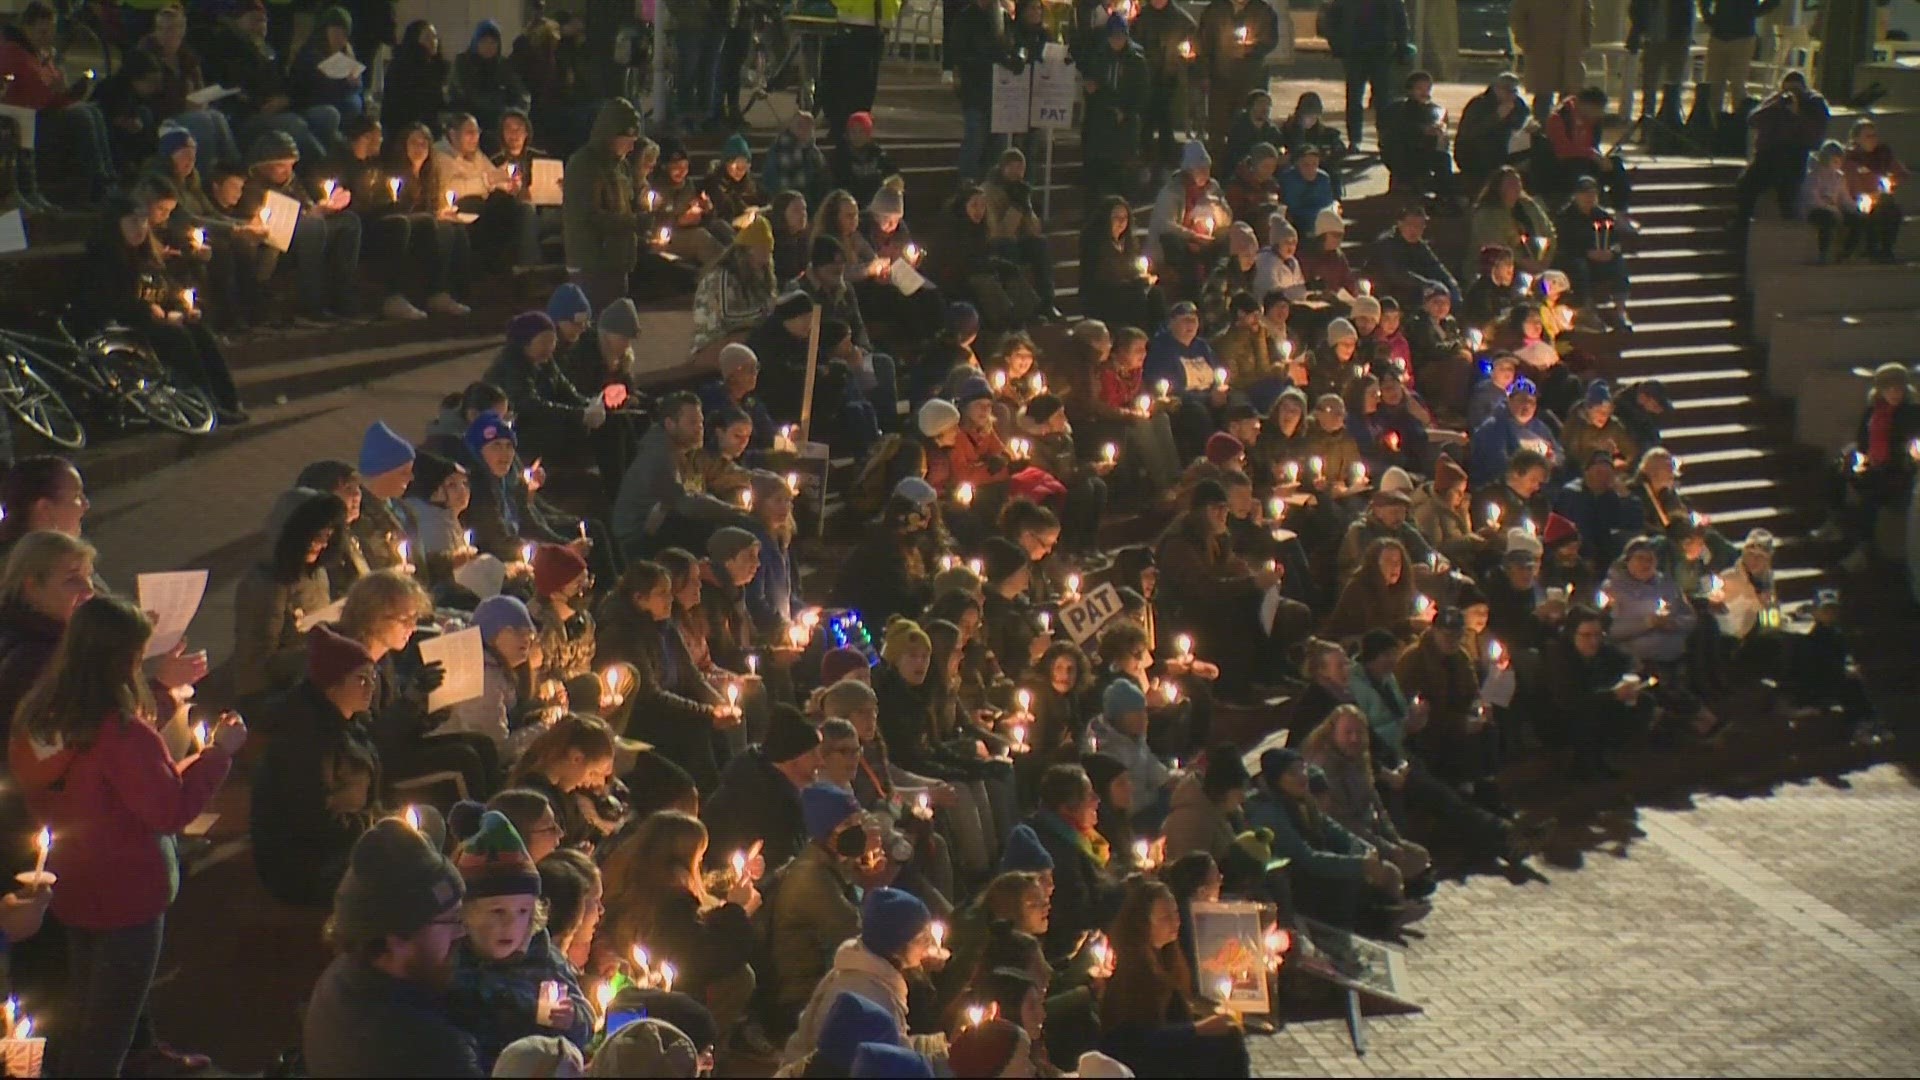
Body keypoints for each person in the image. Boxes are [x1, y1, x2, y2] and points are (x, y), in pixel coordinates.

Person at [12, 597, 245, 1078]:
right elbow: (170, 809)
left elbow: (106, 793)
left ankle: (114, 1059)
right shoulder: (121, 733)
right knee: (107, 1030)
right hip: (129, 894)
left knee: (85, 1007)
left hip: (73, 886)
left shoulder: (40, 718)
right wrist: (219, 754)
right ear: (120, 660)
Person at [303, 819, 482, 1076]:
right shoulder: (427, 1050)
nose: (461, 931)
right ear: (395, 937)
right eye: (451, 920)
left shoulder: (346, 975)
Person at [78, 190, 246, 421]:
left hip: (157, 318)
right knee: (178, 339)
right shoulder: (104, 259)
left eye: (143, 221)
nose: (140, 228)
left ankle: (228, 400)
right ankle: (203, 404)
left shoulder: (146, 255)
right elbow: (107, 301)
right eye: (133, 222)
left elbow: (166, 288)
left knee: (200, 332)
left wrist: (181, 307)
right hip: (129, 324)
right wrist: (147, 310)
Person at [444, 810, 590, 1070]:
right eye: (497, 911)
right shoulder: (452, 962)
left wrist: (572, 1019)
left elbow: (584, 1019)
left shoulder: (544, 958)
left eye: (523, 911)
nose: (511, 924)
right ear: (464, 913)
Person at [250, 627, 386, 906]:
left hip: (348, 840)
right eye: (361, 680)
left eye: (373, 678)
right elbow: (313, 822)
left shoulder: (348, 724)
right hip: (308, 864)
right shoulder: (306, 740)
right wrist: (376, 829)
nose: (371, 688)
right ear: (332, 685)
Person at [601, 810, 762, 1036]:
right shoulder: (671, 897)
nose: (701, 864)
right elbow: (703, 956)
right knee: (741, 978)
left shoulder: (630, 876)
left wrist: (735, 881)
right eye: (699, 857)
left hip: (632, 985)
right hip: (660, 994)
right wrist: (737, 911)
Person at [1096, 875, 1249, 1077]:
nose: (1176, 921)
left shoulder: (1165, 958)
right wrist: (1198, 1029)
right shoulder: (1134, 970)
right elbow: (1133, 1040)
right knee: (1227, 1042)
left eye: (1176, 913)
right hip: (1144, 1059)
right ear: (1144, 924)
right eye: (1166, 917)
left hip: (1164, 1047)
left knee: (1229, 1032)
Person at [783, 887, 950, 1066]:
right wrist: (946, 1053)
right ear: (896, 946)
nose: (929, 943)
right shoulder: (869, 996)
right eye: (921, 938)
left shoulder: (868, 969)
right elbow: (890, 1062)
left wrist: (939, 1043)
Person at [764, 781, 870, 1031]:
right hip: (804, 998)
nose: (856, 829)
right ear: (826, 832)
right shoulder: (811, 877)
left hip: (821, 981)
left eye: (857, 821)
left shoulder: (826, 864)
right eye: (846, 825)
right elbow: (854, 934)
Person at [232, 489, 346, 700]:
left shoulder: (316, 573)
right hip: (282, 698)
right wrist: (319, 652)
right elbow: (257, 663)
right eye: (315, 535)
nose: (320, 543)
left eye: (327, 535)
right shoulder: (266, 584)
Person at [241, 129, 365, 324]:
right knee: (312, 227)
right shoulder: (251, 187)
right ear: (263, 166)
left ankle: (343, 296)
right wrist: (309, 216)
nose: (288, 171)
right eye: (281, 166)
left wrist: (323, 208)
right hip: (276, 240)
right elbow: (265, 219)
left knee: (349, 222)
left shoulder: (291, 181)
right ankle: (311, 304)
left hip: (305, 227)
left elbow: (306, 206)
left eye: (291, 165)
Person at [612, 391, 753, 559]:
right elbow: (683, 503)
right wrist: (735, 513)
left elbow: (724, 474)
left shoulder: (690, 452)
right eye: (692, 422)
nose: (700, 428)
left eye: (700, 421)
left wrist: (764, 484)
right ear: (670, 424)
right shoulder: (658, 456)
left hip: (669, 529)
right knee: (715, 533)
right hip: (639, 541)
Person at [0, 0, 116, 203]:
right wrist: (58, 91)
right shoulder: (15, 54)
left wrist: (73, 90)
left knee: (92, 111)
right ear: (27, 29)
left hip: (46, 110)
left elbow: (53, 94)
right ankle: (97, 184)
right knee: (82, 116)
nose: (47, 39)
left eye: (50, 32)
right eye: (42, 33)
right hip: (27, 121)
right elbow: (33, 96)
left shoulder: (41, 53)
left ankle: (107, 176)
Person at [1541, 604, 1651, 778]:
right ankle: (1585, 766)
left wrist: (1633, 673)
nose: (1594, 641)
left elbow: (1625, 660)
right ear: (1572, 635)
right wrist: (1613, 694)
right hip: (1561, 716)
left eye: (1598, 635)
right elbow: (1569, 698)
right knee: (1590, 712)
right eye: (1586, 636)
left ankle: (1614, 756)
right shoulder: (1559, 656)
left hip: (1595, 703)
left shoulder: (1601, 648)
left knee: (1643, 701)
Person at [562, 97, 642, 308]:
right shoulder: (584, 165)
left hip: (616, 260)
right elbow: (588, 216)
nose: (631, 147)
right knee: (594, 326)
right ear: (611, 135)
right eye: (627, 139)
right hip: (591, 262)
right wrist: (634, 222)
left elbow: (626, 204)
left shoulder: (621, 166)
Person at [1736, 70, 1829, 222]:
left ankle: (1790, 227)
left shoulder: (1814, 102)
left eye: (1795, 90)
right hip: (1769, 155)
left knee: (1788, 195)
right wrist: (1776, 104)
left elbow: (1815, 136)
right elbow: (1753, 119)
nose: (1791, 94)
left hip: (1796, 155)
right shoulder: (1777, 101)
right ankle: (1741, 224)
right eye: (1787, 89)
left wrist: (1797, 112)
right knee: (1746, 185)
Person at [1321, 0, 1410, 149]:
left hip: (1381, 50)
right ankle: (1355, 139)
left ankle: (1384, 138)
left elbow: (1400, 19)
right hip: (1355, 50)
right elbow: (1333, 18)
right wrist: (1337, 45)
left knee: (1383, 99)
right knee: (1355, 96)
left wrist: (1401, 47)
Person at [1195, 0, 1279, 155]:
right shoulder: (1215, 10)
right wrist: (1204, 74)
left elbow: (1270, 40)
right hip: (1220, 79)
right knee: (1217, 128)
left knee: (1246, 126)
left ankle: (1245, 164)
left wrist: (1251, 47)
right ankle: (1218, 165)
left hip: (1249, 81)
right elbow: (1203, 44)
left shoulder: (1263, 11)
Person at [1081, 15, 1150, 203]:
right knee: (1101, 169)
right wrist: (1091, 89)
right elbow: (1095, 83)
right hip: (1102, 119)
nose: (1117, 41)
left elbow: (1142, 92)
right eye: (1114, 37)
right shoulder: (1100, 56)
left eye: (1121, 37)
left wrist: (1126, 111)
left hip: (1126, 122)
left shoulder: (1136, 59)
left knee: (1124, 171)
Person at [1132, 0, 1199, 171]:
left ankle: (1166, 164)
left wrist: (1188, 57)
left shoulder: (1181, 20)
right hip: (1145, 77)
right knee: (1145, 122)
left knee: (1166, 120)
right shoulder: (1140, 18)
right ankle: (1144, 162)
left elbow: (1194, 46)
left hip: (1170, 78)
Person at [1542, 87, 1631, 214]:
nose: (1598, 114)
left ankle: (1621, 211)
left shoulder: (1594, 122)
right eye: (1596, 110)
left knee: (1616, 164)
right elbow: (1562, 149)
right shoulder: (1559, 117)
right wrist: (1591, 154)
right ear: (1584, 105)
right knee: (1579, 166)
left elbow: (1593, 145)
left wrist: (1602, 160)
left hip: (1587, 161)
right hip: (1563, 166)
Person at [1380, 71, 1459, 205]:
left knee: (1443, 155)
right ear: (1410, 90)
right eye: (1420, 88)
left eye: (1427, 88)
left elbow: (1439, 127)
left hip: (1427, 152)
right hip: (1403, 154)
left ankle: (1446, 196)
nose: (1425, 92)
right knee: (1440, 158)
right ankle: (1445, 193)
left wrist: (1439, 131)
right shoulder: (1397, 109)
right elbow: (1393, 132)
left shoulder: (1436, 110)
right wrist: (1422, 130)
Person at [1508, 0, 1591, 120]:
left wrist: (1584, 41)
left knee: (1570, 96)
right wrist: (1525, 42)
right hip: (1541, 48)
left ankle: (1564, 131)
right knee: (1543, 95)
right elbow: (1517, 16)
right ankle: (1541, 132)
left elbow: (1586, 13)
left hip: (1570, 48)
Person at [1841, 119, 1909, 264]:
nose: (1873, 140)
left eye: (1874, 135)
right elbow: (1850, 184)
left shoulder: (1883, 155)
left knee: (1891, 208)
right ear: (1856, 139)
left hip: (1881, 199)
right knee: (1874, 211)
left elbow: (1902, 173)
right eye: (1868, 136)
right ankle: (1872, 249)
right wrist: (1867, 196)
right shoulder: (1849, 158)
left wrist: (1892, 180)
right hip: (1857, 201)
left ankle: (1886, 249)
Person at [1454, 72, 1531, 185]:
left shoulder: (1517, 103)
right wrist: (1496, 117)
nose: (1511, 95)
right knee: (1489, 147)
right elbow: (1470, 133)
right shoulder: (1479, 103)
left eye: (1514, 91)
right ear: (1497, 89)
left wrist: (1528, 127)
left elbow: (1522, 121)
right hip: (1475, 151)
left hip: (1507, 146)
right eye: (1507, 91)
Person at [379, 19, 452, 134]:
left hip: (432, 124)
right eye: (427, 38)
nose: (433, 42)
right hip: (405, 126)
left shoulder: (439, 67)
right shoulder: (401, 66)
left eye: (435, 37)